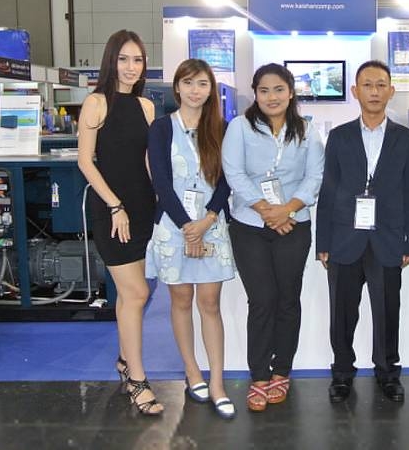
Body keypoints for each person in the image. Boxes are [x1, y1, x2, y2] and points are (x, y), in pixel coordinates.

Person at [316, 60, 409, 404]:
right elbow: (328, 192)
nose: (374, 92)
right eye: (367, 85)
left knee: (387, 312)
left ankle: (388, 373)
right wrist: (323, 242)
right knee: (342, 314)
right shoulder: (339, 136)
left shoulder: (406, 138)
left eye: (380, 85)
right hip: (344, 240)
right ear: (355, 91)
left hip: (388, 240)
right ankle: (342, 373)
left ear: (391, 91)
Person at [222, 63, 325, 412]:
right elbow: (234, 172)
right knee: (262, 300)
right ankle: (259, 375)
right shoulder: (240, 127)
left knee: (287, 299)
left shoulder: (306, 131)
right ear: (255, 93)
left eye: (279, 89)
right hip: (250, 225)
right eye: (264, 90)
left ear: (291, 92)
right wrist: (268, 211)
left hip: (294, 225)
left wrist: (288, 210)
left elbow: (315, 177)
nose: (272, 97)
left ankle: (282, 370)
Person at [145, 59, 236, 420]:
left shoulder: (222, 129)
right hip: (173, 226)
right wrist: (187, 226)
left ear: (211, 89)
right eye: (188, 83)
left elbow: (227, 180)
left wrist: (207, 220)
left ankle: (217, 384)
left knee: (210, 303)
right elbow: (161, 182)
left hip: (212, 223)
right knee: (180, 300)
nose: (195, 90)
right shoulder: (161, 128)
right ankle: (192, 371)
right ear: (177, 88)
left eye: (202, 84)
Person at [77, 30, 162, 415]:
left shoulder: (146, 106)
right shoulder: (95, 103)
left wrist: (162, 200)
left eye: (137, 60)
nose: (131, 67)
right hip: (113, 212)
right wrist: (115, 206)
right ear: (111, 61)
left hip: (143, 209)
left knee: (131, 296)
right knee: (138, 293)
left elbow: (147, 161)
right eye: (124, 59)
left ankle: (126, 361)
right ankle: (138, 381)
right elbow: (85, 162)